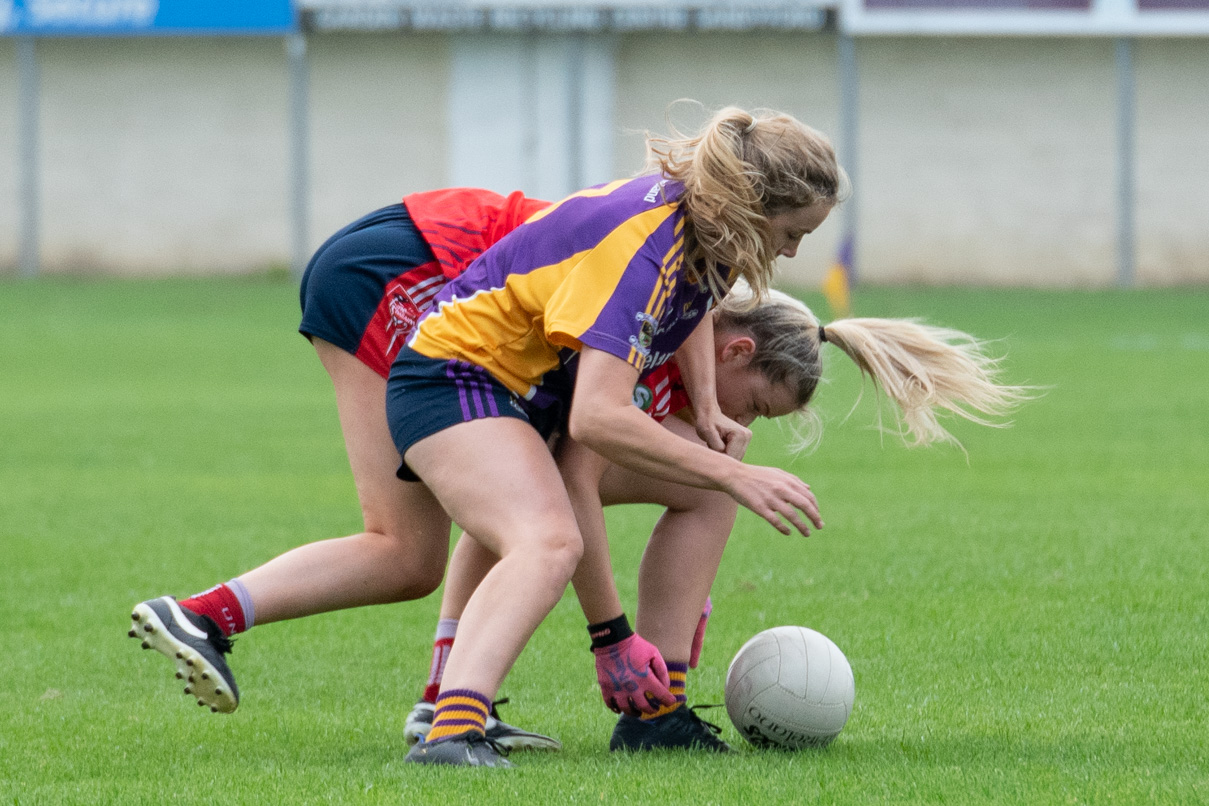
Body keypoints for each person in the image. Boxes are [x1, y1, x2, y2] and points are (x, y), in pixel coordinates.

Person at [130, 104, 842, 768]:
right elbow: (593, 422)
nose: (789, 254)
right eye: (792, 233)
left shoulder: (693, 230)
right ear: (752, 207)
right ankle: (442, 719)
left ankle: (466, 706)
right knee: (479, 541)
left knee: (466, 537)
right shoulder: (645, 257)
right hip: (420, 308)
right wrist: (616, 631)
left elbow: (688, 308)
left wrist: (711, 416)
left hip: (477, 364)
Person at [402, 282, 1032, 753]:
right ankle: (449, 704)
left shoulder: (681, 359)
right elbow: (576, 472)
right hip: (441, 377)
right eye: (755, 405)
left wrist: (688, 593)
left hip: (480, 407)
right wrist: (615, 637)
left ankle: (658, 711)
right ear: (735, 349)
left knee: (704, 489)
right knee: (426, 551)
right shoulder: (648, 341)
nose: (746, 426)